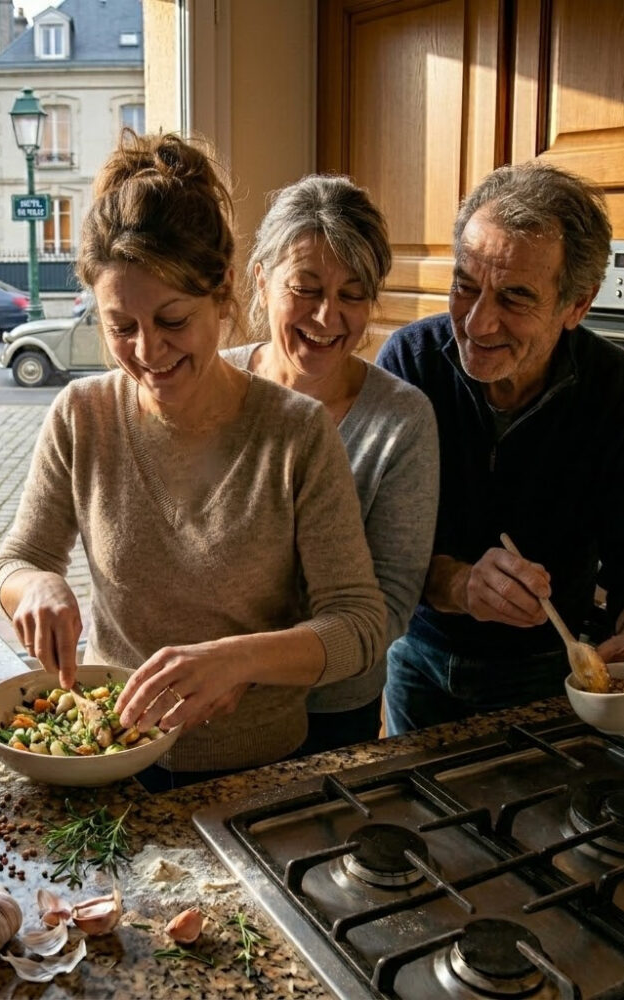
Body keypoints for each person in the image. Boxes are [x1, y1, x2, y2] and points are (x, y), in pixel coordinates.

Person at [0, 133, 386, 786]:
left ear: (224, 294)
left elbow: (361, 627)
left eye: (173, 321)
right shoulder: (81, 415)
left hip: (259, 773)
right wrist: (34, 586)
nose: (147, 351)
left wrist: (240, 661)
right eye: (121, 327)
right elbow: (18, 559)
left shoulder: (296, 434)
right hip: (111, 758)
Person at [377, 160, 624, 734]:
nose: (476, 323)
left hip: (551, 672)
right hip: (419, 662)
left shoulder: (622, 395)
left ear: (577, 305)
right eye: (464, 286)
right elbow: (380, 551)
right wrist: (461, 584)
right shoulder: (409, 367)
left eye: (514, 298)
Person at [224, 174, 438, 754]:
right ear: (262, 279)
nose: (327, 316)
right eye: (306, 287)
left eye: (352, 294)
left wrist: (246, 661)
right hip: (210, 707)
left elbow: (391, 605)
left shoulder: (402, 420)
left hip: (332, 710)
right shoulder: (211, 385)